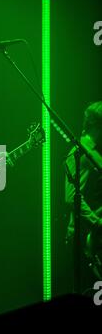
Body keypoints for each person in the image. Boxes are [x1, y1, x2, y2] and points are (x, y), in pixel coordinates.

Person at [65, 101, 102, 292]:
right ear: (97, 124)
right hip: (86, 238)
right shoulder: (80, 152)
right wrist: (96, 222)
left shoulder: (94, 152)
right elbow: (72, 197)